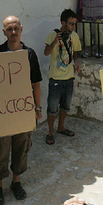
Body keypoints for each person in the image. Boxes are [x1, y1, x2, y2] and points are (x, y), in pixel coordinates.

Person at [0, 16, 42, 205]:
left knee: (22, 147)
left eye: (16, 28)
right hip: (1, 114)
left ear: (21, 29)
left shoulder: (30, 54)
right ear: (4, 32)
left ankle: (16, 182)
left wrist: (37, 108)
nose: (13, 32)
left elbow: (35, 84)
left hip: (23, 111)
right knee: (0, 149)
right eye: (9, 29)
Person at [44, 9, 81, 145]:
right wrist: (54, 42)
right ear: (63, 23)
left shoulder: (74, 36)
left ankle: (61, 127)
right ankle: (50, 132)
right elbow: (46, 53)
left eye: (74, 24)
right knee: (52, 108)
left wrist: (76, 62)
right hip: (55, 79)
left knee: (65, 106)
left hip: (69, 78)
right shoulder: (53, 34)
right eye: (71, 24)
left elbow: (76, 51)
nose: (73, 27)